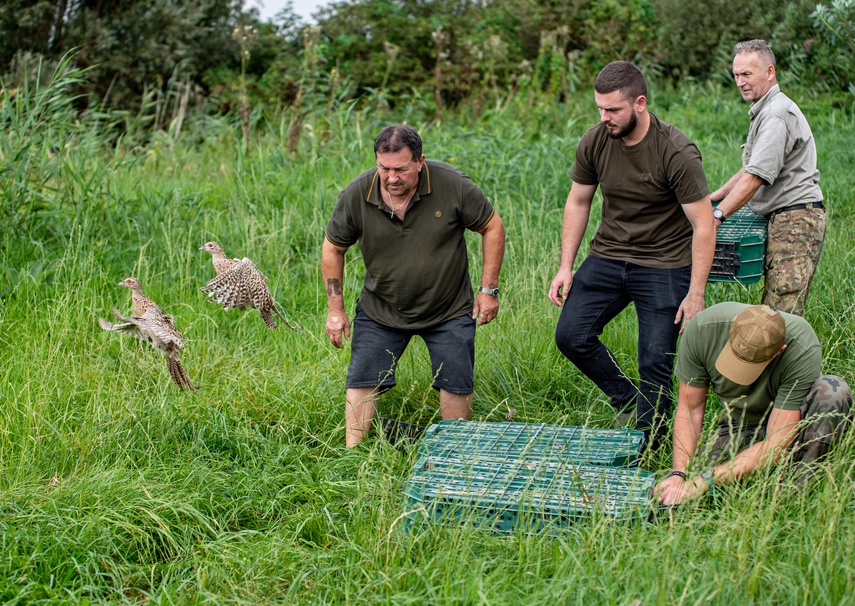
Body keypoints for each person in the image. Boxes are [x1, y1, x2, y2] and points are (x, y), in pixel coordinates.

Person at [548, 61, 716, 448]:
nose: (604, 118)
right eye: (599, 109)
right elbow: (578, 200)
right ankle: (627, 399)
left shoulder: (675, 150)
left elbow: (704, 225)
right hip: (608, 255)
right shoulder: (595, 140)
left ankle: (650, 443)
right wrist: (565, 266)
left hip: (664, 263)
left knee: (654, 362)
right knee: (572, 336)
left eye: (613, 110)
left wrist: (696, 294)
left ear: (639, 103)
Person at [322, 125, 506, 448]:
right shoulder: (357, 194)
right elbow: (333, 247)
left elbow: (492, 226)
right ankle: (353, 456)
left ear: (420, 162)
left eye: (401, 169)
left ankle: (454, 453)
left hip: (447, 308)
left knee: (456, 385)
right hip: (382, 308)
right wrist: (335, 310)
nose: (391, 178)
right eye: (384, 168)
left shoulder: (452, 185)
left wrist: (488, 290)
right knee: (361, 378)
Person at [656, 303, 852, 505]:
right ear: (734, 324)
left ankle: (794, 495)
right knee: (697, 486)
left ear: (780, 350)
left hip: (794, 420)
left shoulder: (801, 345)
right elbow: (690, 408)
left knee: (834, 391)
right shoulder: (702, 329)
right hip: (742, 423)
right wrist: (679, 473)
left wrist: (707, 479)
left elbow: (777, 442)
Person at [710, 40, 825, 316]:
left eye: (747, 74)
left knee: (778, 317)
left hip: (795, 221)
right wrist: (717, 195)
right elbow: (751, 167)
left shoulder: (775, 115)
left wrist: (717, 215)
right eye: (736, 75)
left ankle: (796, 360)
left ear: (769, 71)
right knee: (770, 312)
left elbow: (756, 178)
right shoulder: (766, 109)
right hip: (783, 218)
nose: (740, 82)